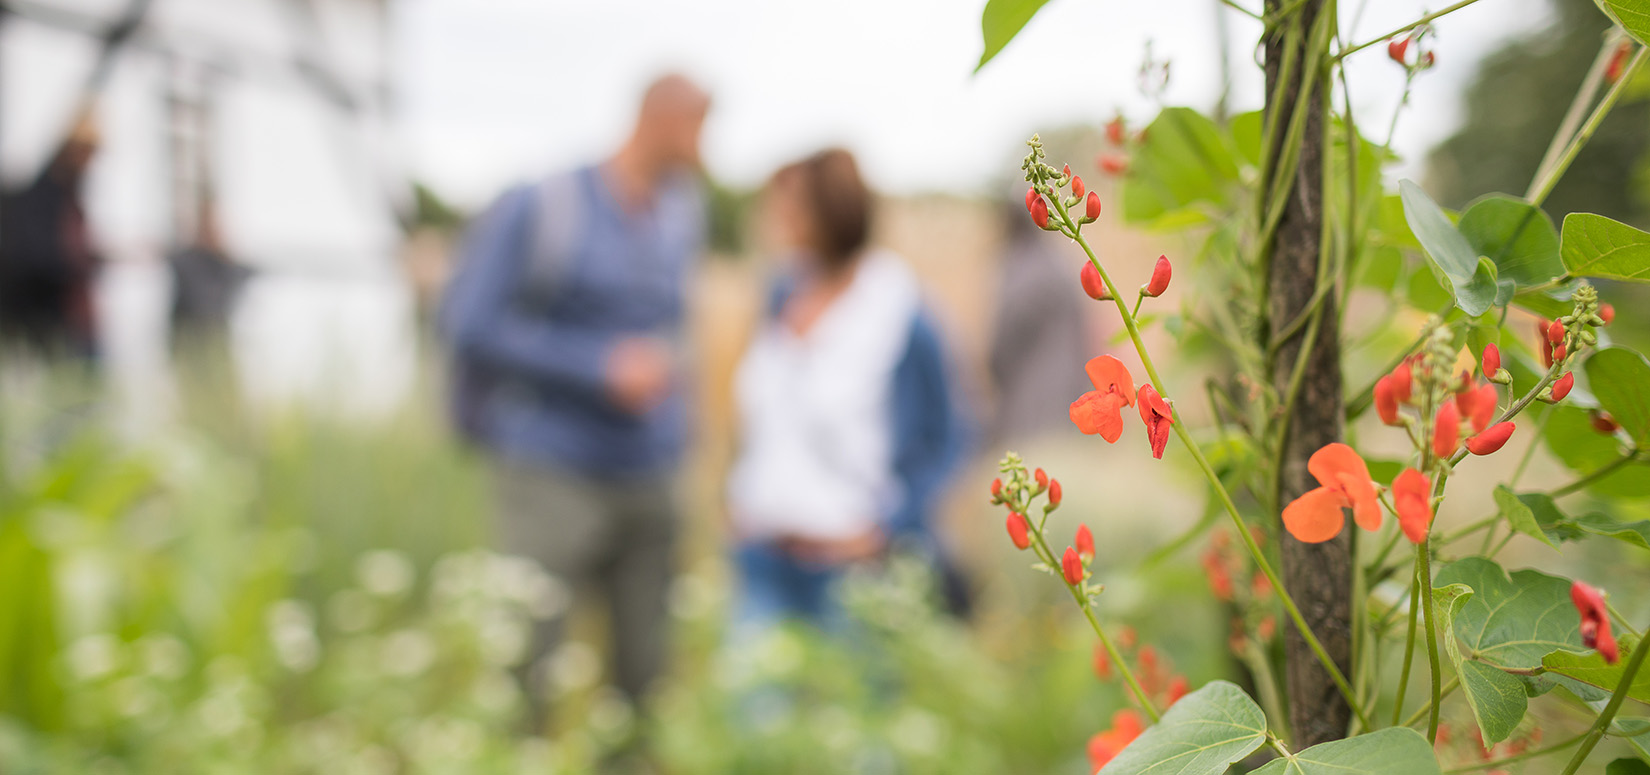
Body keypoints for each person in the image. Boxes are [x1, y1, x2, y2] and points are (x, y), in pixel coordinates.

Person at [440, 74, 710, 731]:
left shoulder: (682, 212)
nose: (703, 148)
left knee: (645, 672)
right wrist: (596, 366)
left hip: (647, 469)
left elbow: (676, 327)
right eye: (697, 128)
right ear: (660, 119)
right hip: (551, 466)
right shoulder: (546, 205)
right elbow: (467, 322)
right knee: (529, 661)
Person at [725, 149, 968, 637]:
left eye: (792, 207)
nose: (778, 221)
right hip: (763, 557)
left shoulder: (901, 313)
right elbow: (762, 418)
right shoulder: (780, 296)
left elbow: (948, 438)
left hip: (850, 571)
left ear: (831, 211)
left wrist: (889, 527)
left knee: (854, 708)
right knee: (753, 710)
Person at [0, 110, 102, 358]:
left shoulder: (71, 195)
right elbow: (38, 257)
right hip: (50, 319)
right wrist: (86, 263)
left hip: (74, 317)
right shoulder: (42, 196)